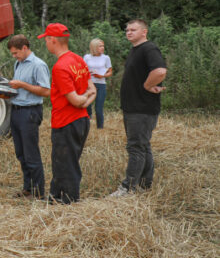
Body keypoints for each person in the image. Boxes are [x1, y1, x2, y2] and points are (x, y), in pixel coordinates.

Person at [38, 23, 96, 204]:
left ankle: (69, 201)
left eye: (46, 39)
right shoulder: (78, 60)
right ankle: (55, 197)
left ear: (53, 40)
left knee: (66, 164)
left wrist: (81, 101)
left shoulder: (60, 67)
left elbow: (76, 100)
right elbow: (92, 90)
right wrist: (84, 100)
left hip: (65, 122)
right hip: (81, 120)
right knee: (62, 162)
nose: (46, 43)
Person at [109, 19, 167, 197]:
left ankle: (128, 188)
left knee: (136, 147)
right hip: (134, 107)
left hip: (142, 108)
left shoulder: (149, 49)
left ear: (144, 32)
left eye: (133, 29)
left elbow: (160, 71)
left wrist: (148, 86)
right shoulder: (136, 50)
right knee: (143, 146)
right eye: (127, 30)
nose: (129, 32)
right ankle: (144, 184)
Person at [6, 35, 51, 199]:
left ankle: (38, 192)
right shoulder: (18, 63)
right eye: (12, 54)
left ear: (25, 48)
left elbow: (46, 91)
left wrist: (21, 84)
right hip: (16, 110)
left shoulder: (38, 65)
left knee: (31, 153)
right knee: (21, 153)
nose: (14, 56)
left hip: (30, 112)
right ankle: (28, 188)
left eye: (16, 53)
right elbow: (19, 89)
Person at [84, 38, 113, 129]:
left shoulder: (106, 58)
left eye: (103, 46)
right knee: (86, 105)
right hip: (89, 84)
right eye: (100, 46)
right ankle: (87, 124)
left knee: (98, 108)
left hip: (101, 85)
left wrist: (102, 76)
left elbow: (110, 72)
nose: (103, 48)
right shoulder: (87, 57)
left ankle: (100, 128)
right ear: (94, 47)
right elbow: (82, 70)